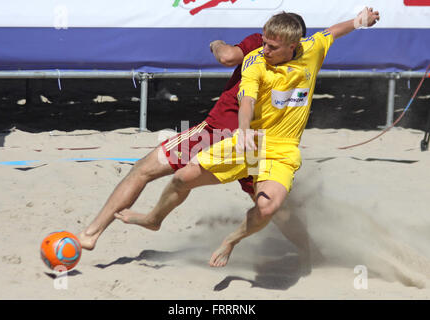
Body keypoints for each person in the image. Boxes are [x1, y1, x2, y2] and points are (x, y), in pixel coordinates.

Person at [114, 8, 381, 268]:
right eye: (264, 43)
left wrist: (361, 20)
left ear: (293, 45)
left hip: (282, 151)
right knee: (182, 178)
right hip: (249, 142)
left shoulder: (312, 50)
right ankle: (153, 219)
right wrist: (242, 130)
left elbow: (333, 32)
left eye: (273, 47)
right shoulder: (255, 62)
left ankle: (233, 241)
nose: (265, 50)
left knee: (268, 209)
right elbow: (247, 100)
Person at [78, 13, 308, 257]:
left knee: (143, 170)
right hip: (257, 143)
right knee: (269, 206)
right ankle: (313, 254)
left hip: (220, 131)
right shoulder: (305, 57)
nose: (266, 45)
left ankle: (91, 234)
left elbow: (227, 56)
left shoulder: (260, 43)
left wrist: (215, 43)